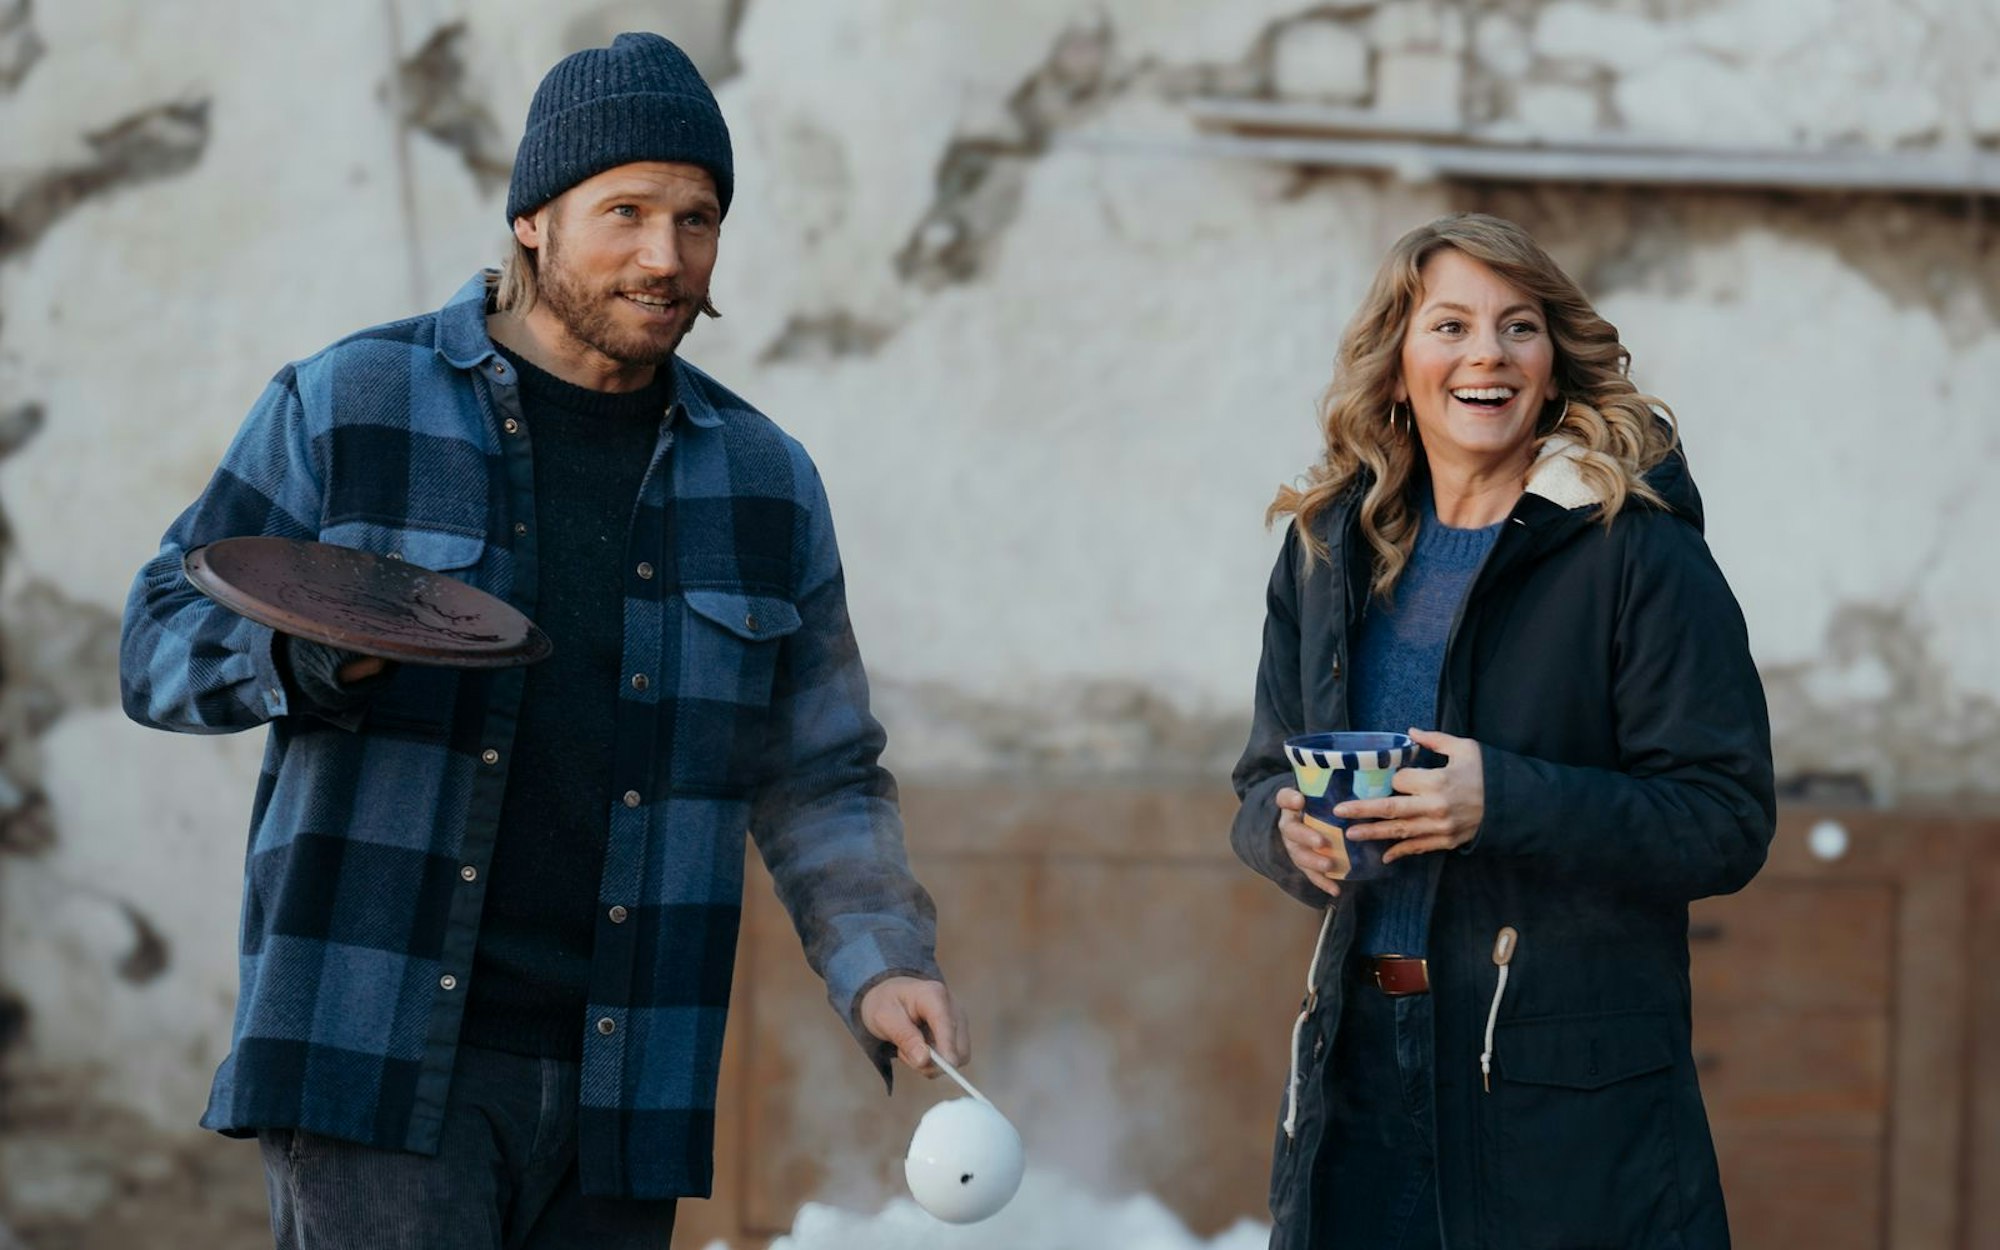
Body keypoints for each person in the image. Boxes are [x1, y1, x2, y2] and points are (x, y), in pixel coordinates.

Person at [119, 32, 966, 1249]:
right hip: (375, 1056)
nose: (663, 257)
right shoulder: (351, 404)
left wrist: (881, 960)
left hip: (630, 1079)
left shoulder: (764, 481)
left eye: (698, 219)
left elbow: (818, 767)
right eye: (623, 210)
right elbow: (155, 640)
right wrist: (312, 656)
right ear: (534, 218)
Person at [1230, 212, 1774, 1249]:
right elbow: (1262, 775)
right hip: (1358, 1071)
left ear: (1552, 360)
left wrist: (1503, 799)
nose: (1485, 352)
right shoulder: (1322, 549)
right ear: (1396, 365)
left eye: (1517, 326)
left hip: (1558, 1097)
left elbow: (1724, 817)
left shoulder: (1636, 555)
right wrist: (1284, 829)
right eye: (1449, 325)